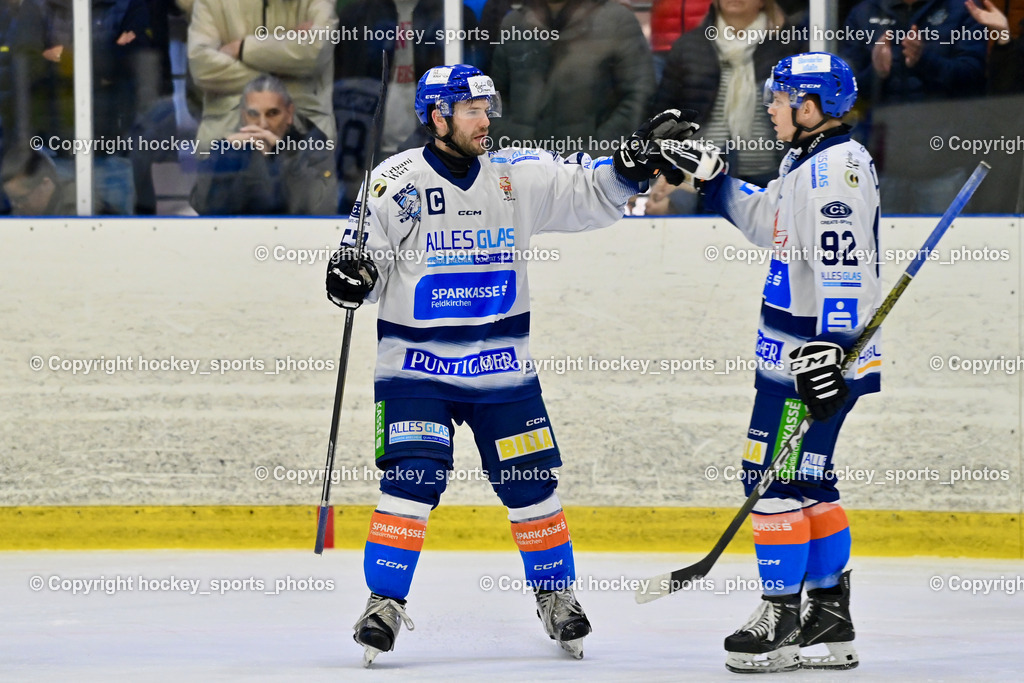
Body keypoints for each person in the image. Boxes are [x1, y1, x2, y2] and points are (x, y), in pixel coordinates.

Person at [324, 64, 703, 666]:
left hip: (502, 368)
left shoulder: (516, 174)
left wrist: (630, 168)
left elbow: (590, 193)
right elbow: (360, 270)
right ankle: (383, 603)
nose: (485, 121)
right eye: (471, 111)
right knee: (411, 479)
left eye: (487, 109)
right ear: (437, 117)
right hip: (415, 370)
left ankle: (555, 596)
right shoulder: (394, 183)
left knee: (531, 483)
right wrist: (350, 278)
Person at [668, 52, 881, 672]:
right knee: (809, 479)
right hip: (813, 356)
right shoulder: (810, 159)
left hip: (808, 360)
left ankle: (781, 616)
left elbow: (845, 270)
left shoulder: (833, 171)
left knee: (769, 479)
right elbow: (769, 224)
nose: (770, 107)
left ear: (810, 108)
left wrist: (829, 354)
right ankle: (829, 616)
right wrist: (716, 182)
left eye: (781, 98)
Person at [648, 0, 799, 214]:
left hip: (770, 175)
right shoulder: (689, 46)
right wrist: (665, 170)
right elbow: (665, 115)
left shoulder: (787, 45)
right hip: (699, 175)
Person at [488, 0, 655, 157]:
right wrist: (509, 143)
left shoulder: (617, 21)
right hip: (523, 165)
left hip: (591, 167)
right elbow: (495, 95)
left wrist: (597, 153)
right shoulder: (514, 23)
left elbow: (639, 95)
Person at [187, 0, 337, 153]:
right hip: (225, 134)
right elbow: (202, 67)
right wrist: (282, 65)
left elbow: (317, 51)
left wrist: (242, 48)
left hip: (304, 132)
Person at [190, 75, 337, 215]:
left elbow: (320, 207)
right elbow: (201, 206)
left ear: (289, 114)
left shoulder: (311, 145)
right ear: (243, 116)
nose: (263, 124)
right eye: (253, 114)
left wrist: (282, 155)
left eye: (272, 113)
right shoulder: (233, 149)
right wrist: (225, 159)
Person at [1, 143, 76, 215]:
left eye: (22, 199)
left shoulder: (77, 206)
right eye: (11, 199)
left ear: (46, 184)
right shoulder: (21, 211)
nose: (17, 206)